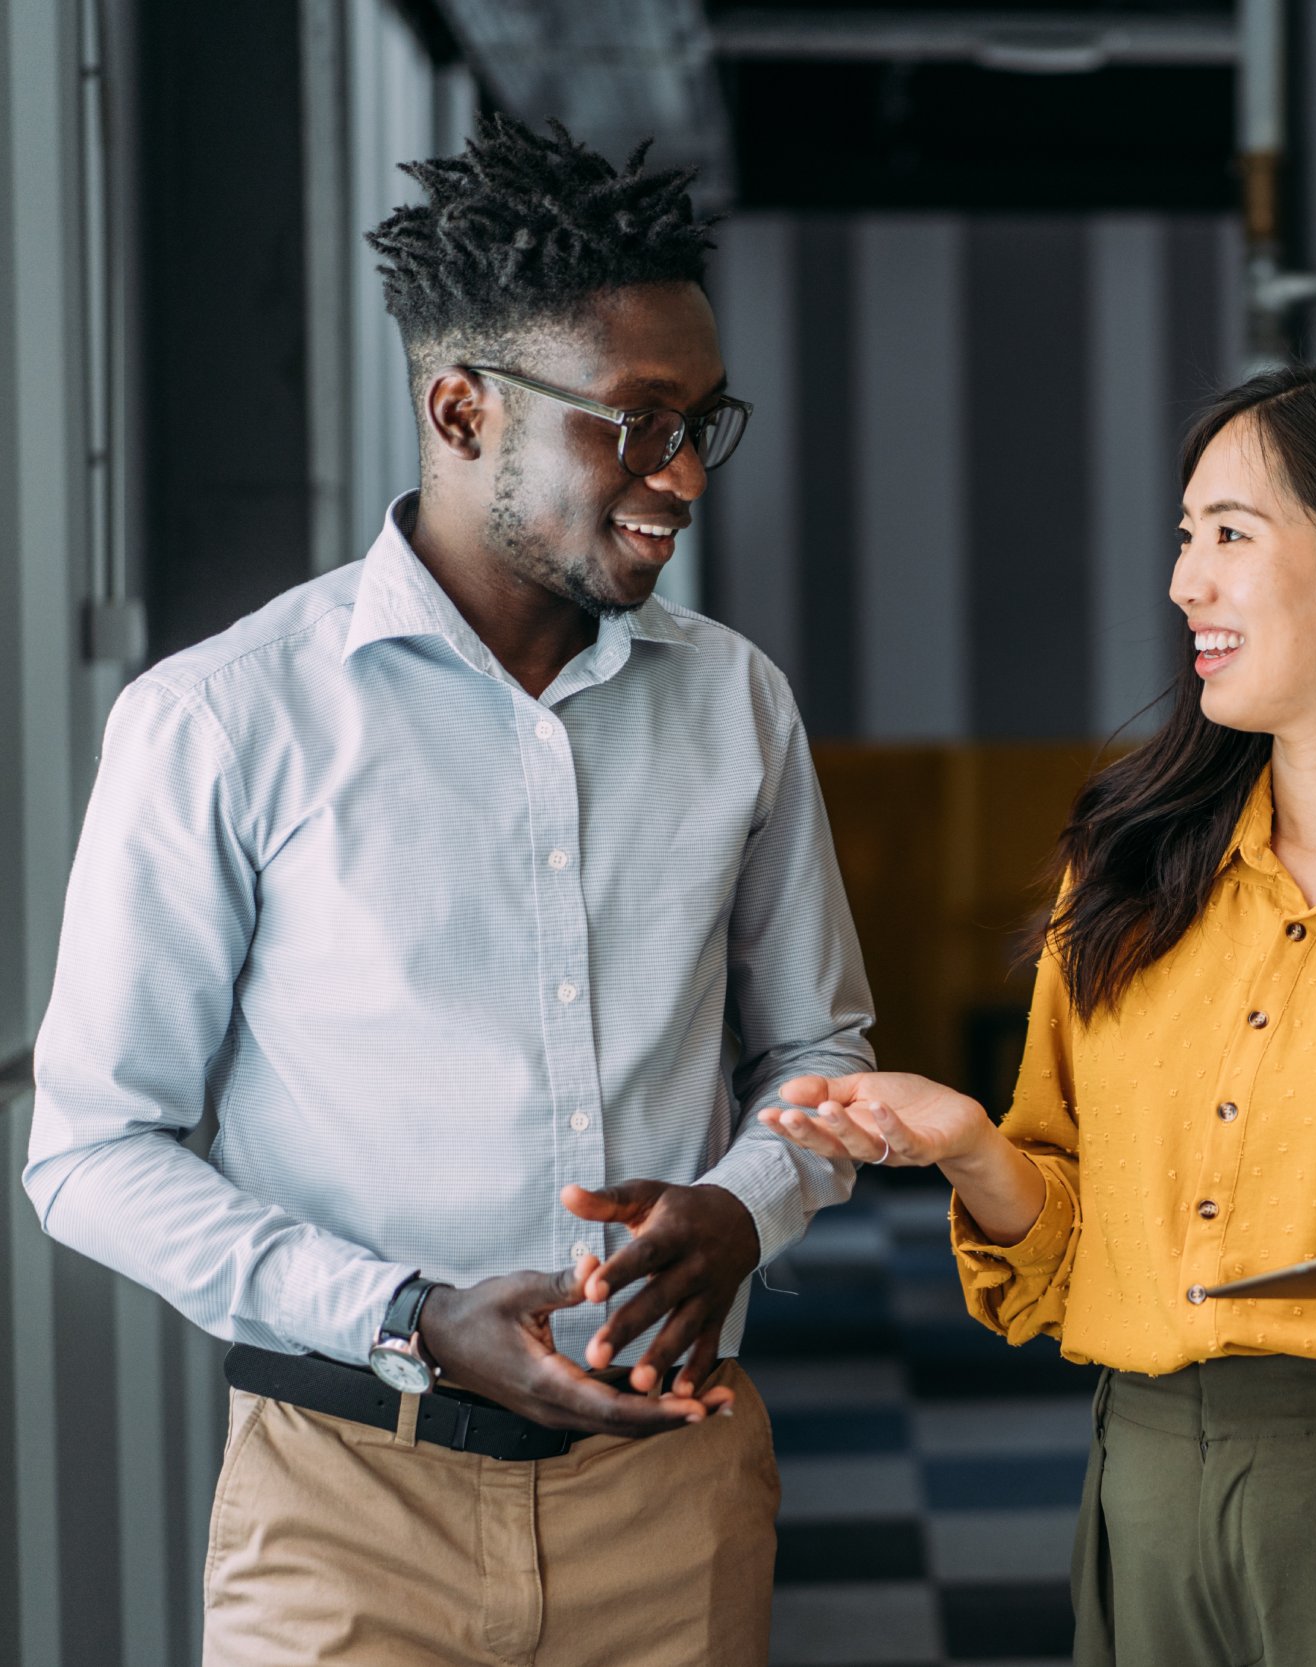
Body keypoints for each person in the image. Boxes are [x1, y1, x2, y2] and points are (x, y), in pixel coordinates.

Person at [23, 116, 873, 1666]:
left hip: (670, 1498)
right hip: (344, 1509)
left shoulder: (735, 703)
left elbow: (821, 1056)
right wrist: (406, 1314)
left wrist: (743, 1209)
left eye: (705, 423)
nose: (684, 475)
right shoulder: (223, 720)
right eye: (638, 423)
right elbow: (91, 1153)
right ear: (463, 410)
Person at [765, 355, 1316, 1667]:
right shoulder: (1122, 875)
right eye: (1186, 538)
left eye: (1230, 536)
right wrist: (971, 1147)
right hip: (1144, 1492)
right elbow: (1059, 1257)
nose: (1186, 581)